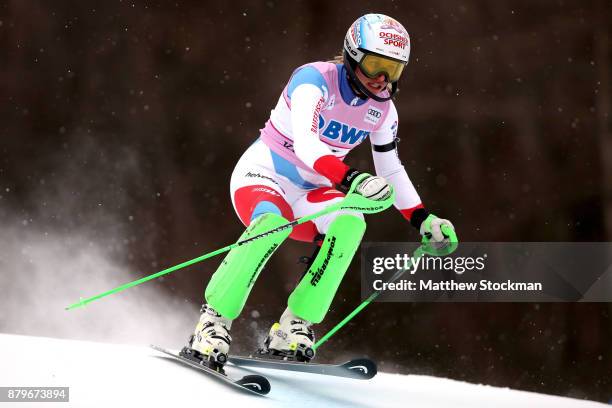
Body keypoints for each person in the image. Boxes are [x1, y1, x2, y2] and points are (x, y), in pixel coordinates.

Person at [181, 13, 457, 370]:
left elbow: (391, 169)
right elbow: (308, 145)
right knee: (271, 223)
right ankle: (212, 323)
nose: (382, 79)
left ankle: (293, 326)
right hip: (263, 175)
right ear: (353, 55)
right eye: (375, 65)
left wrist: (423, 220)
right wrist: (353, 179)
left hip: (311, 192)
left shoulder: (384, 111)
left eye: (394, 69)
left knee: (351, 222)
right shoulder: (314, 80)